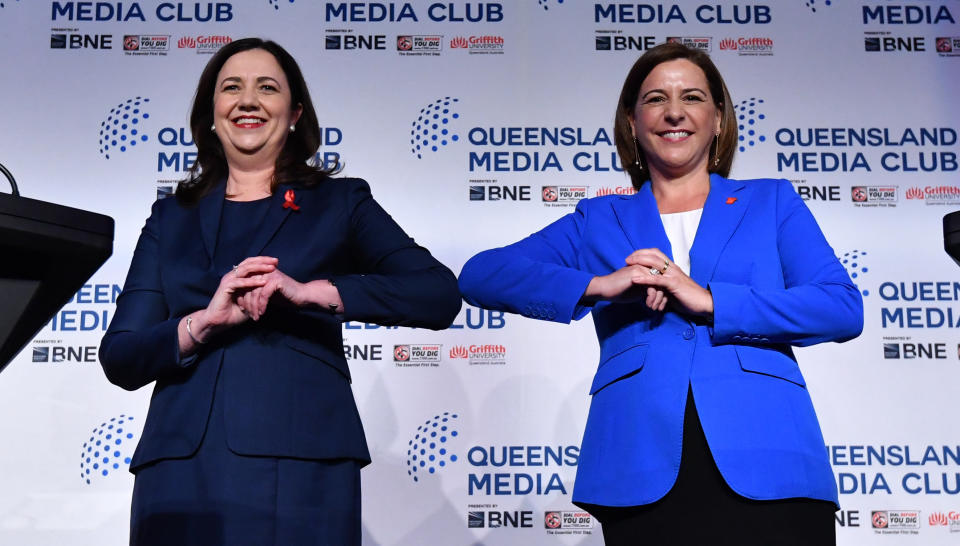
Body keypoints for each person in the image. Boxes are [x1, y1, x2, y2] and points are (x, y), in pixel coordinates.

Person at [458, 42, 863, 545]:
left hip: (770, 456)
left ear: (718, 118)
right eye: (655, 99)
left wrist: (711, 300)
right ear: (631, 122)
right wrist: (601, 285)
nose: (674, 112)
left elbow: (841, 307)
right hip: (639, 461)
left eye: (692, 97)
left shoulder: (771, 201)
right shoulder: (599, 219)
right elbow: (479, 274)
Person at [99, 38, 461, 545]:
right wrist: (201, 324)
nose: (248, 100)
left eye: (266, 88)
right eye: (231, 88)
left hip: (301, 466)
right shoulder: (170, 217)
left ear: (294, 113)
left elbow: (437, 294)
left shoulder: (339, 202)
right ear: (211, 113)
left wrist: (311, 292)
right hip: (179, 470)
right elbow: (120, 355)